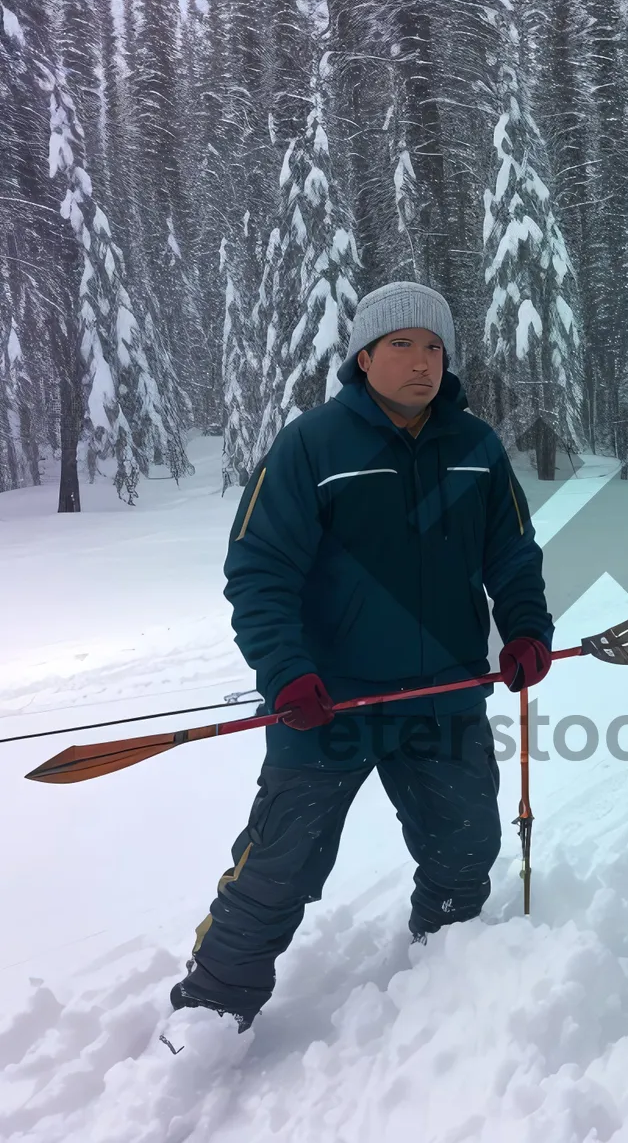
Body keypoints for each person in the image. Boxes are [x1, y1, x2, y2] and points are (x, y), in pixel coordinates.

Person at [169, 281, 553, 1031]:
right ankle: (211, 1008)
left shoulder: (476, 447)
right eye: (403, 345)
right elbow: (258, 570)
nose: (422, 363)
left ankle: (447, 968)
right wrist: (286, 672)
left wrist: (525, 628)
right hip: (329, 700)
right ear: (365, 355)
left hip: (445, 695)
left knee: (466, 845)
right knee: (280, 866)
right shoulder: (311, 444)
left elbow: (510, 551)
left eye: (434, 347)